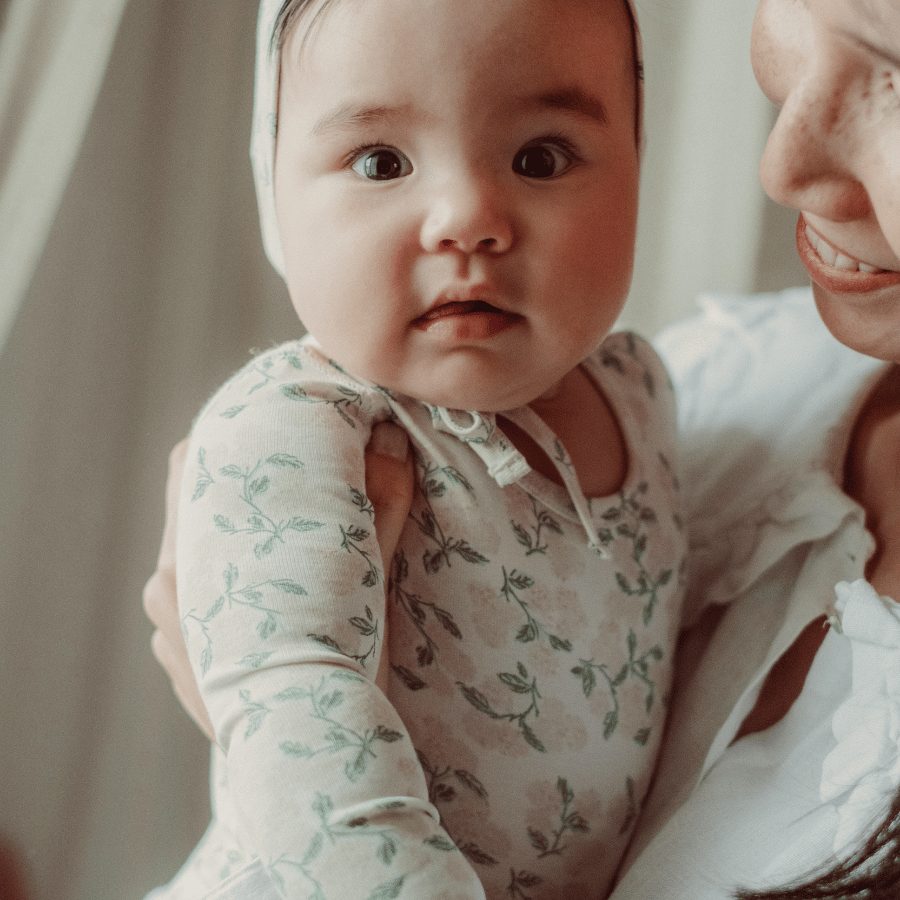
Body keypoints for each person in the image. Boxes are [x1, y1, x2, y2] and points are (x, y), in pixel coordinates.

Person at [148, 0, 900, 895]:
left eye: (540, 158)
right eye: (381, 162)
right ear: (273, 187)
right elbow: (302, 742)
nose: (467, 216)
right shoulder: (298, 433)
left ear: (636, 164)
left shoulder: (639, 395)